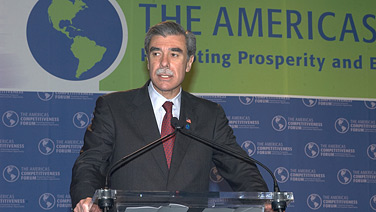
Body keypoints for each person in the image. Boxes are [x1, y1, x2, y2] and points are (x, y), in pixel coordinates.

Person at [70, 21, 269, 212]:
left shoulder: (210, 116)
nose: (164, 63)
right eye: (156, 53)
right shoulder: (114, 108)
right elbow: (90, 163)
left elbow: (241, 169)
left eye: (174, 54)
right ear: (148, 60)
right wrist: (86, 198)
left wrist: (264, 202)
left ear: (189, 62)